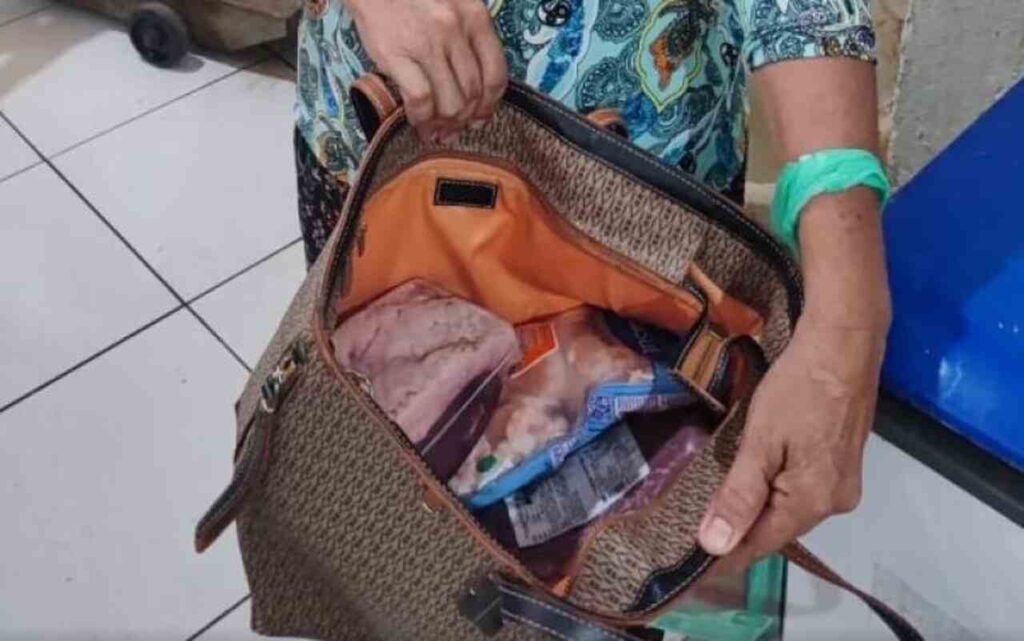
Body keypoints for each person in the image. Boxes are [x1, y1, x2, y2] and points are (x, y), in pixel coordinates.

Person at [294, 0, 892, 574]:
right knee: (379, 491)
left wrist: (847, 323)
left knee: (612, 542)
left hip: (652, 217)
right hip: (387, 163)